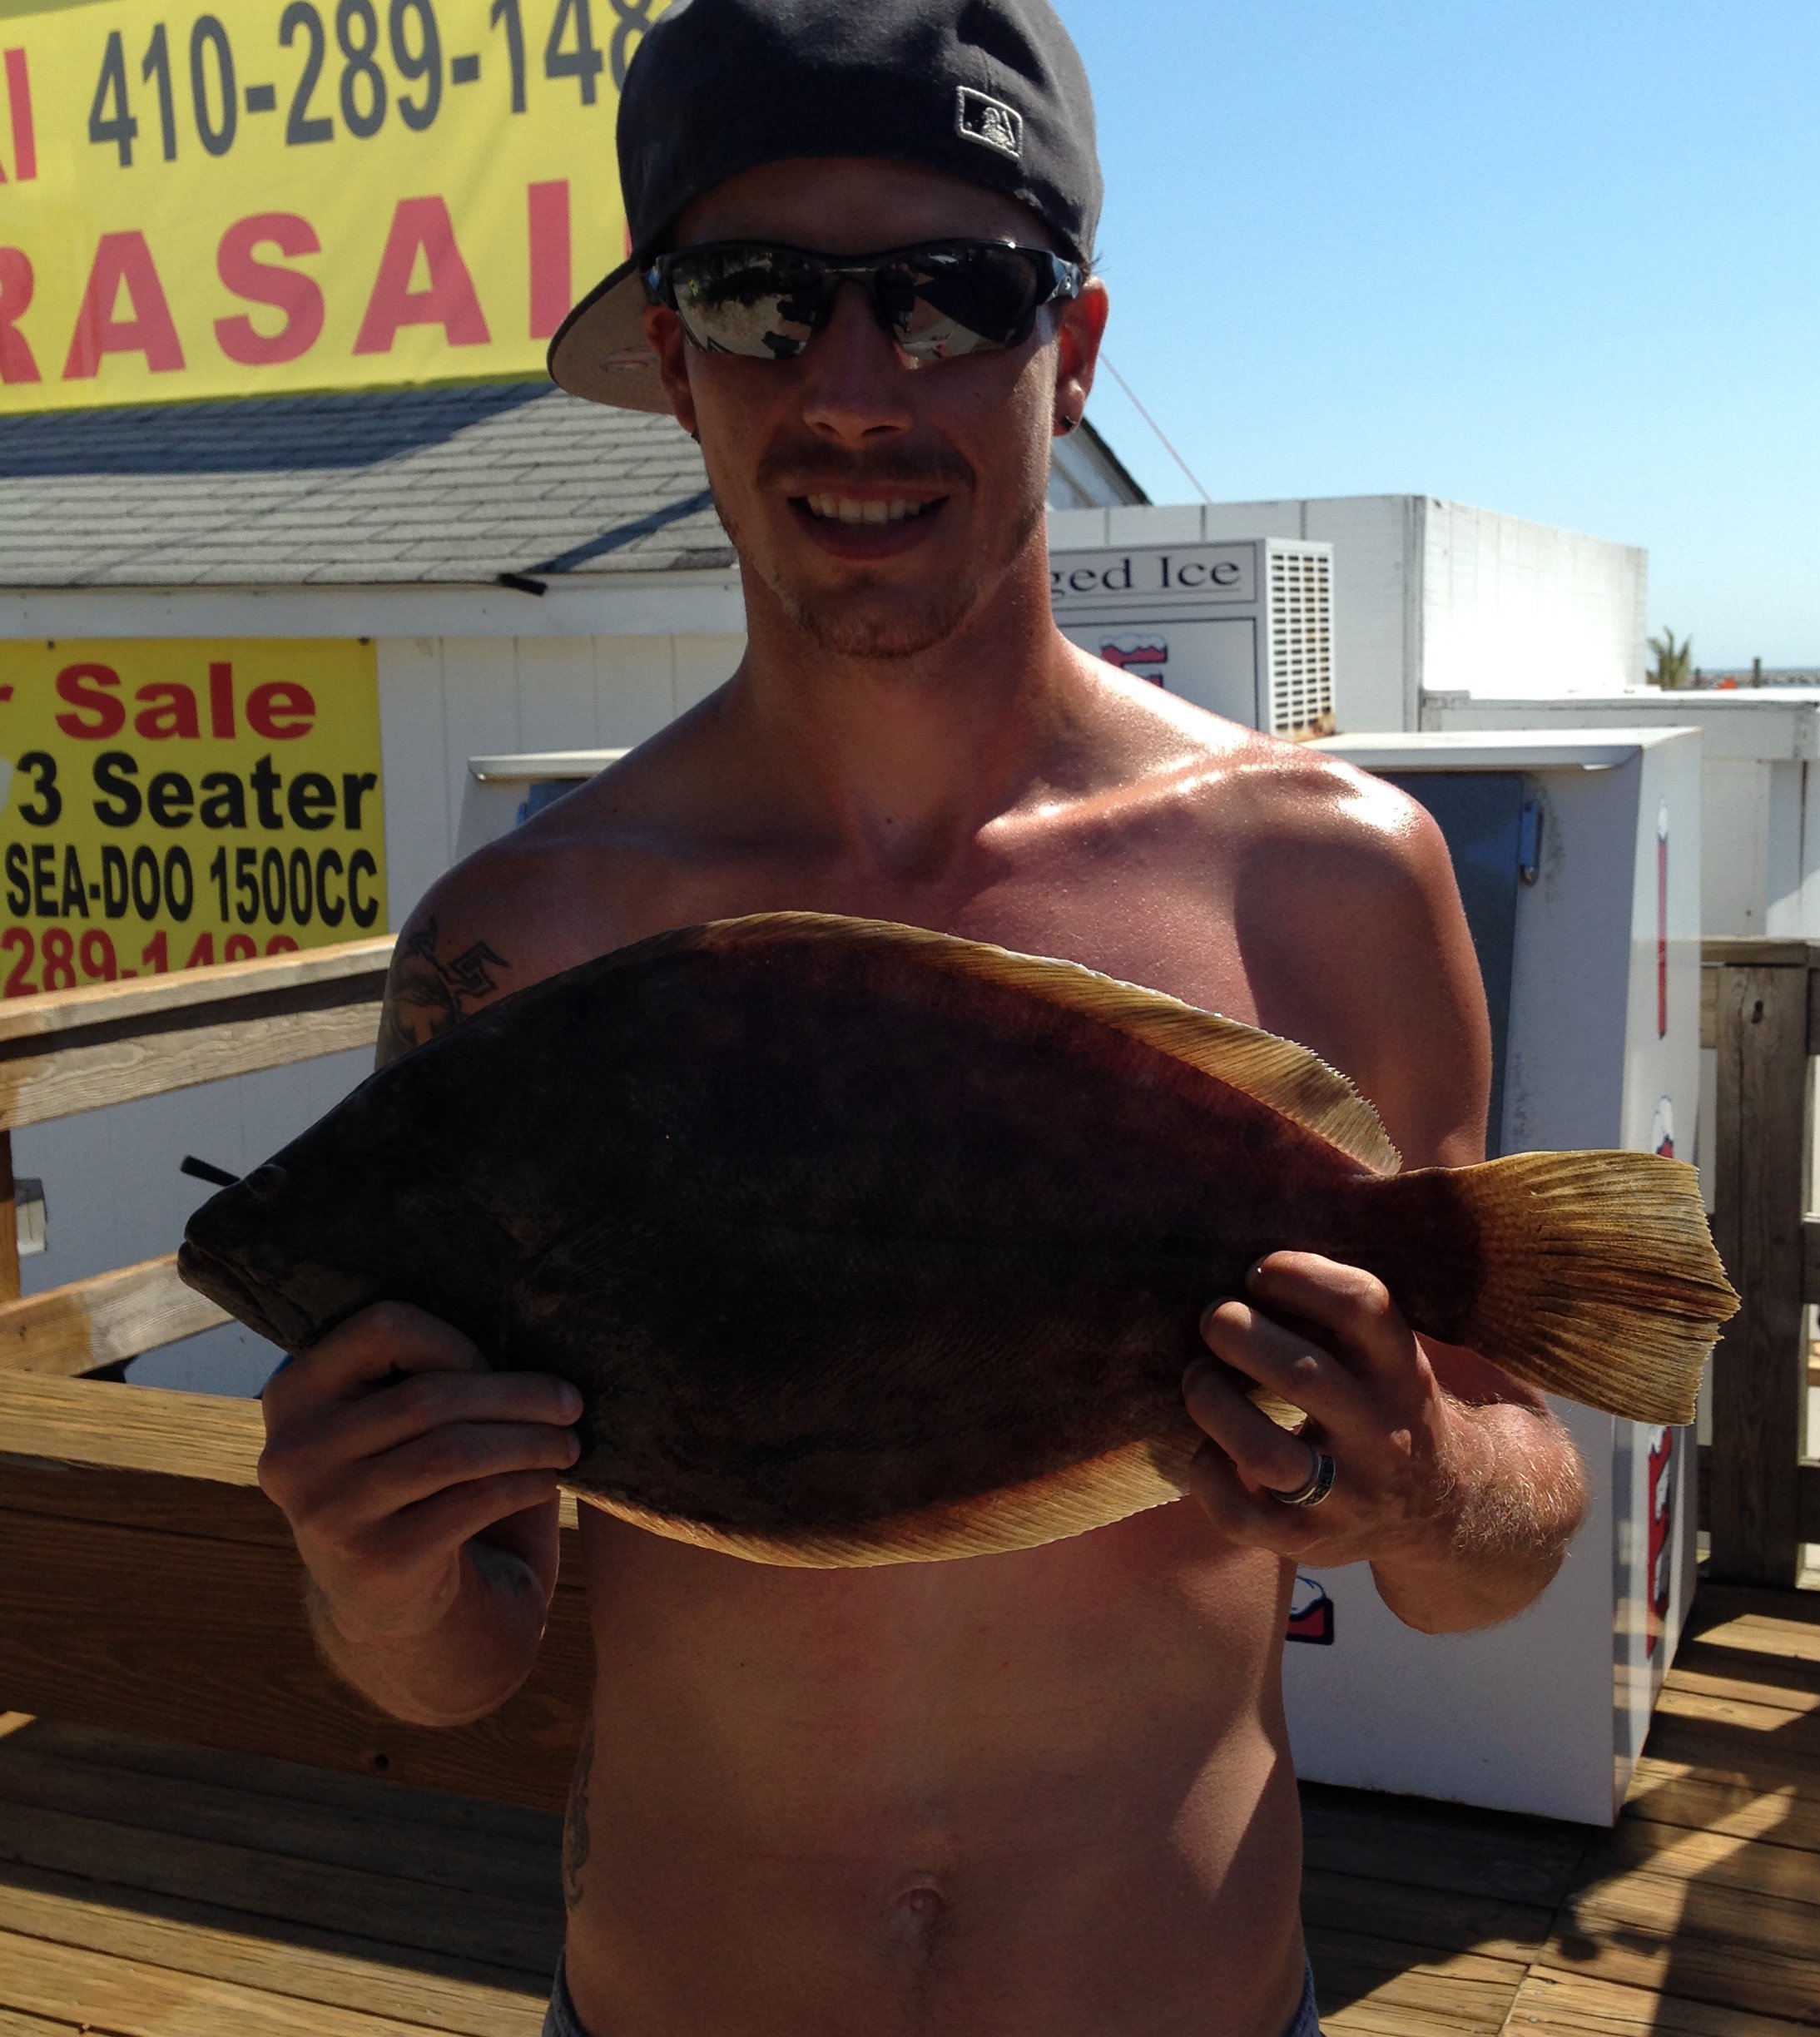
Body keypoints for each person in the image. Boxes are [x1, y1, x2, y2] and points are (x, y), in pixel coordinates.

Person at [255, 6, 1587, 2034]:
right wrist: (371, 1574)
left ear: (1075, 347)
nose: (857, 389)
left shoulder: (1332, 878)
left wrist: (1421, 1486)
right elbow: (464, 1650)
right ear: (676, 361)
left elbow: (1499, 1541)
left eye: (956, 295)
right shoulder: (521, 945)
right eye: (761, 298)